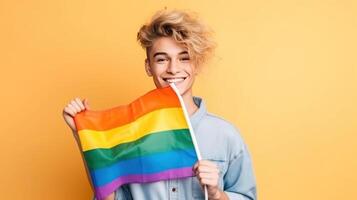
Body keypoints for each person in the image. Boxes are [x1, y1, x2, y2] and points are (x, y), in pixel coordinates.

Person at [63, 8, 257, 200]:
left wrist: (217, 194)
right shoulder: (130, 132)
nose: (173, 69)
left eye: (184, 58)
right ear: (149, 66)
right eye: (162, 59)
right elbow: (109, 197)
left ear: (196, 64)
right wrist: (81, 134)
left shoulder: (225, 135)